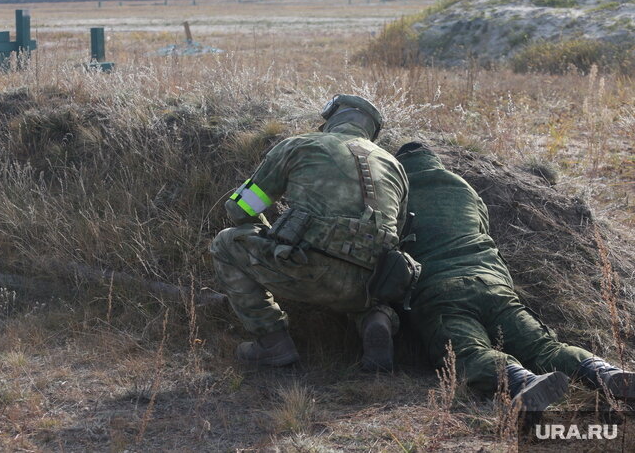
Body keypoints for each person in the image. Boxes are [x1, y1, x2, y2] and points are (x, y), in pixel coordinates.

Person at [395, 141, 635, 411]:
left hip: (441, 292)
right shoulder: (463, 187)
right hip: (494, 285)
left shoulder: (397, 192)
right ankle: (604, 371)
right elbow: (482, 227)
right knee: (544, 347)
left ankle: (522, 380)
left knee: (468, 353)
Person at [210, 95, 416, 371]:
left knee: (226, 242)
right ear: (371, 130)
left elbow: (240, 210)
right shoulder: (395, 166)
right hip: (368, 285)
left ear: (331, 120)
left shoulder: (300, 145)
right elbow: (396, 235)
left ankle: (272, 344)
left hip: (305, 269)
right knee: (366, 280)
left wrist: (272, 233)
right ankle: (375, 320)